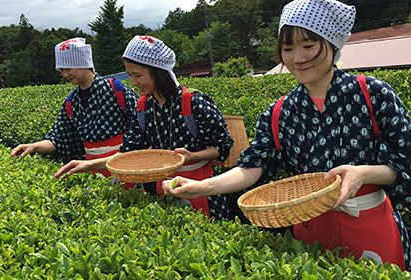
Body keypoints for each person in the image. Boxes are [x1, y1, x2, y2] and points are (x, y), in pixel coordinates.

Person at [162, 0, 411, 270]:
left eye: (308, 45)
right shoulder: (280, 112)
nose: (297, 58)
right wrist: (201, 187)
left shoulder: (372, 94)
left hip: (371, 223)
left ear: (332, 43)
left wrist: (363, 173)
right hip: (310, 232)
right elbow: (253, 167)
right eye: (288, 48)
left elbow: (404, 160)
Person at [55, 35, 234, 219]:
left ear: (158, 72)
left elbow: (223, 146)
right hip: (163, 190)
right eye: (130, 75)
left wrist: (193, 156)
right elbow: (126, 154)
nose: (133, 82)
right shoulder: (144, 107)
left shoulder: (194, 102)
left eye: (138, 75)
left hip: (202, 189)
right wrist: (88, 164)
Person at [11, 38, 138, 179]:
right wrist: (34, 146)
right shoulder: (71, 101)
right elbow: (57, 137)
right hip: (92, 168)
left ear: (83, 63)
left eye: (68, 68)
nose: (65, 74)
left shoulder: (116, 89)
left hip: (124, 161)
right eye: (61, 70)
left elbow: (141, 127)